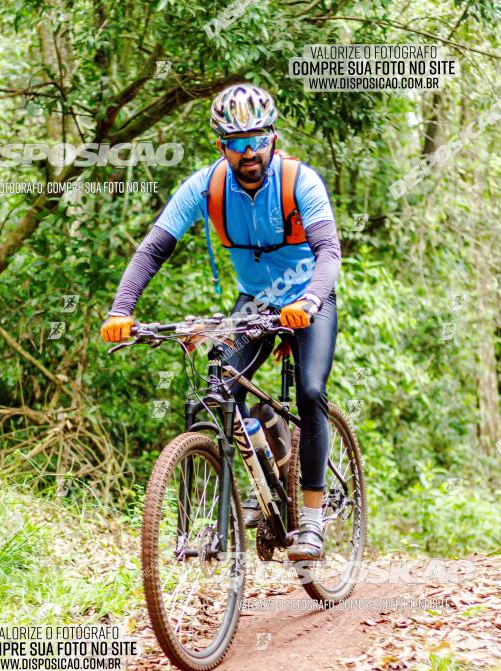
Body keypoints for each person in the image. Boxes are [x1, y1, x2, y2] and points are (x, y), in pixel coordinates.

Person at [101, 83, 341, 560]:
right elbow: (154, 247)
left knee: (312, 391)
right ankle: (267, 446)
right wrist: (121, 309)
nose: (249, 152)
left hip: (310, 297)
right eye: (237, 143)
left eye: (257, 139)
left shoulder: (300, 182)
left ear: (272, 138)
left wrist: (311, 300)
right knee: (220, 385)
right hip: (256, 302)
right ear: (221, 147)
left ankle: (311, 520)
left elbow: (329, 251)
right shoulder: (205, 186)